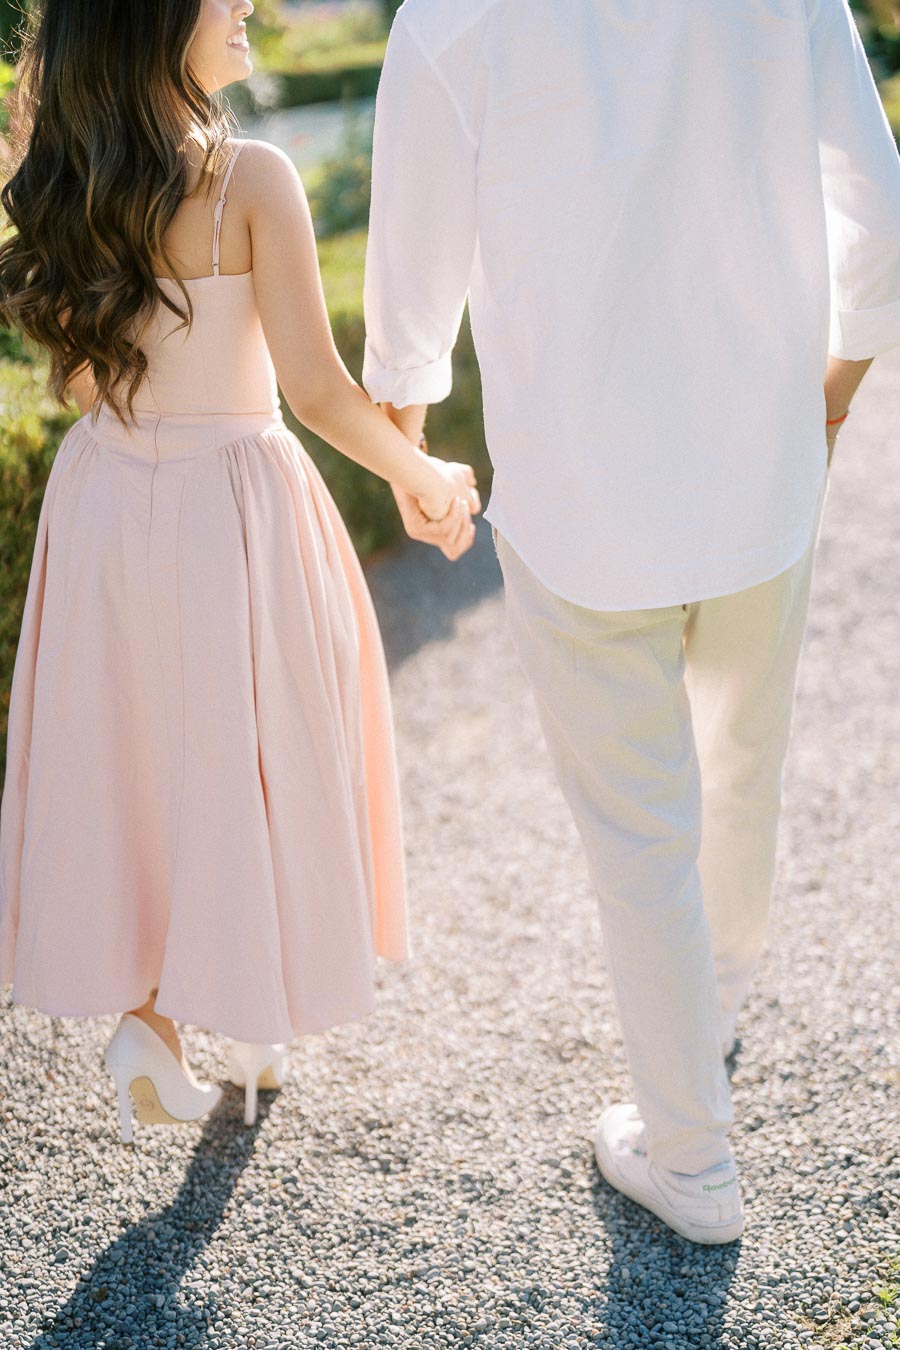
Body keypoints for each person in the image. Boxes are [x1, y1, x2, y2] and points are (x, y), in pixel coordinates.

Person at [362, 0, 900, 1243]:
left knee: (639, 838)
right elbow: (880, 215)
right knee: (742, 774)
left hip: (582, 498)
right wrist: (828, 402)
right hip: (761, 474)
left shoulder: (452, 19)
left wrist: (408, 450)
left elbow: (410, 280)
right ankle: (712, 1019)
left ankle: (695, 1158)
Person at [0, 0, 480, 1144]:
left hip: (104, 497)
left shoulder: (64, 180)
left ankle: (161, 1017)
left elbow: (83, 382)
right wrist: (425, 472)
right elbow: (316, 392)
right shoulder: (250, 179)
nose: (249, 5)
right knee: (253, 756)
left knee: (136, 759)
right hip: (234, 504)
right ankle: (224, 1010)